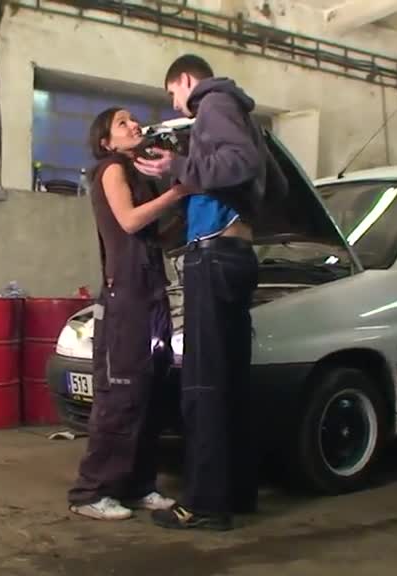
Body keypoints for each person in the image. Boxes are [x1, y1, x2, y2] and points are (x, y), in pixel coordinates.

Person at [135, 54, 286, 531]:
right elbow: (275, 185)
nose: (175, 104)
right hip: (238, 256)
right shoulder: (244, 116)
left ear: (186, 80)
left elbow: (237, 164)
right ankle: (237, 493)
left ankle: (204, 505)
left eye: (172, 93)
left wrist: (177, 164)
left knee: (202, 383)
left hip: (214, 255)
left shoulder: (213, 103)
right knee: (231, 382)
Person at [66, 107, 189, 520]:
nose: (134, 124)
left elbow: (156, 236)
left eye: (134, 119)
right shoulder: (111, 169)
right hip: (127, 302)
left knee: (150, 395)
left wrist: (185, 208)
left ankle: (139, 486)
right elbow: (131, 221)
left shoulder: (141, 176)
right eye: (123, 122)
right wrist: (177, 193)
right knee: (120, 398)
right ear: (106, 141)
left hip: (153, 295)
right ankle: (90, 493)